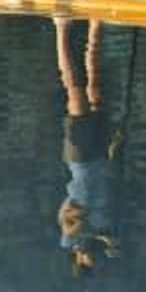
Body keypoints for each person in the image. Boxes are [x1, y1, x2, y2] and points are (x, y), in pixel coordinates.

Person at [53, 16, 119, 276]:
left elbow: (70, 216)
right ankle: (95, 24)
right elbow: (108, 187)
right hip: (101, 155)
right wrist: (114, 150)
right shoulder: (104, 229)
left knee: (75, 89)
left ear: (79, 261)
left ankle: (61, 28)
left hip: (80, 159)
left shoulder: (70, 241)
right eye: (96, 262)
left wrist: (98, 237)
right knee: (95, 84)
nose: (94, 259)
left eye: (90, 263)